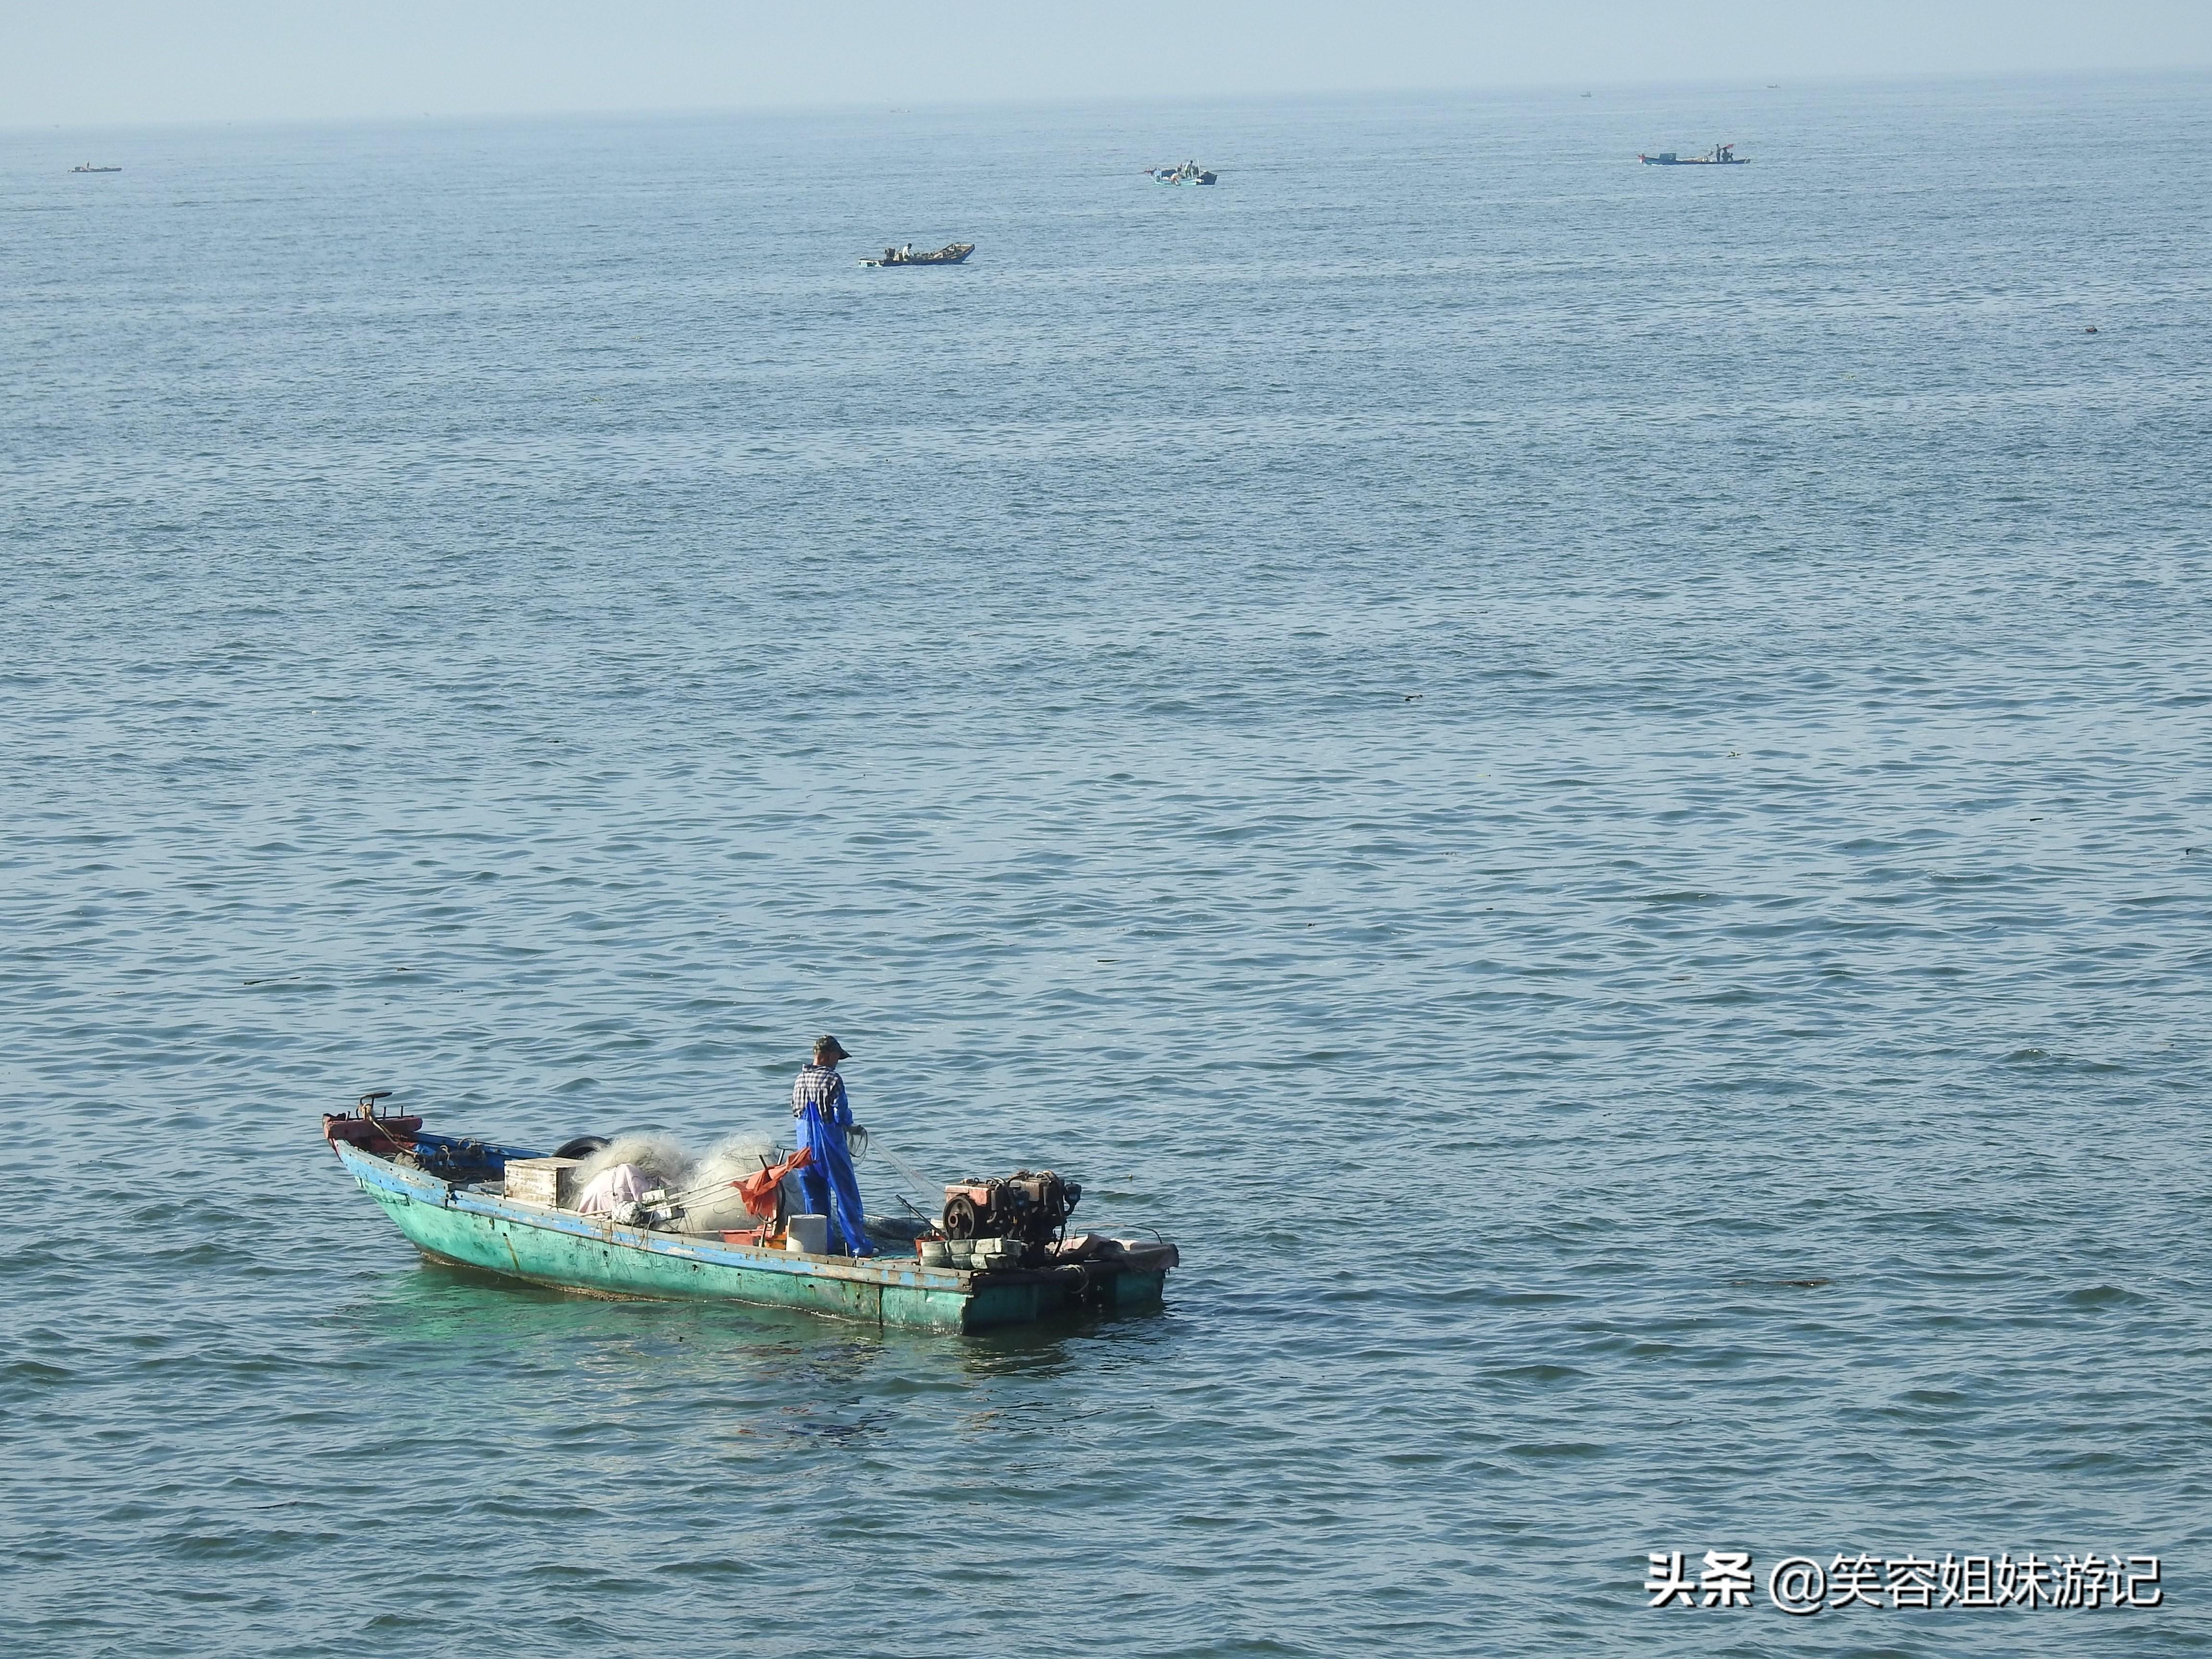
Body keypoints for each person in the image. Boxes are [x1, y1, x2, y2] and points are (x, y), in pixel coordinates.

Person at [791, 1034, 872, 1255]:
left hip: (805, 1152)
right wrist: (851, 1126)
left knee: (815, 1200)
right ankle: (858, 1247)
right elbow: (841, 1114)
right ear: (827, 1056)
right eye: (837, 1057)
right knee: (847, 1197)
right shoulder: (833, 1079)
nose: (837, 1062)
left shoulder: (800, 1080)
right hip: (830, 1148)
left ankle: (821, 1245)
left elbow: (797, 1112)